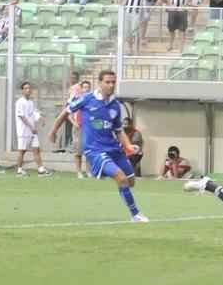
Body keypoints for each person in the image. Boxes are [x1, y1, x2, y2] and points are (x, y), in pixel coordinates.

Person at [45, 70, 147, 223]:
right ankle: (135, 214)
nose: (111, 85)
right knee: (121, 177)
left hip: (113, 149)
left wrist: (128, 146)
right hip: (95, 150)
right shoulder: (86, 99)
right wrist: (53, 131)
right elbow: (65, 112)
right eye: (108, 82)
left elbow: (118, 130)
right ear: (100, 83)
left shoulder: (115, 105)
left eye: (113, 82)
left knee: (130, 182)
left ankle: (107, 173)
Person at [14, 80, 51, 177]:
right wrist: (31, 127)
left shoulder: (30, 102)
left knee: (36, 149)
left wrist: (41, 119)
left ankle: (41, 170)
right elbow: (22, 117)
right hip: (23, 131)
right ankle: (19, 170)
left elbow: (32, 114)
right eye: (26, 88)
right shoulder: (19, 102)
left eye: (29, 88)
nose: (28, 90)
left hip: (32, 132)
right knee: (22, 151)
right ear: (22, 91)